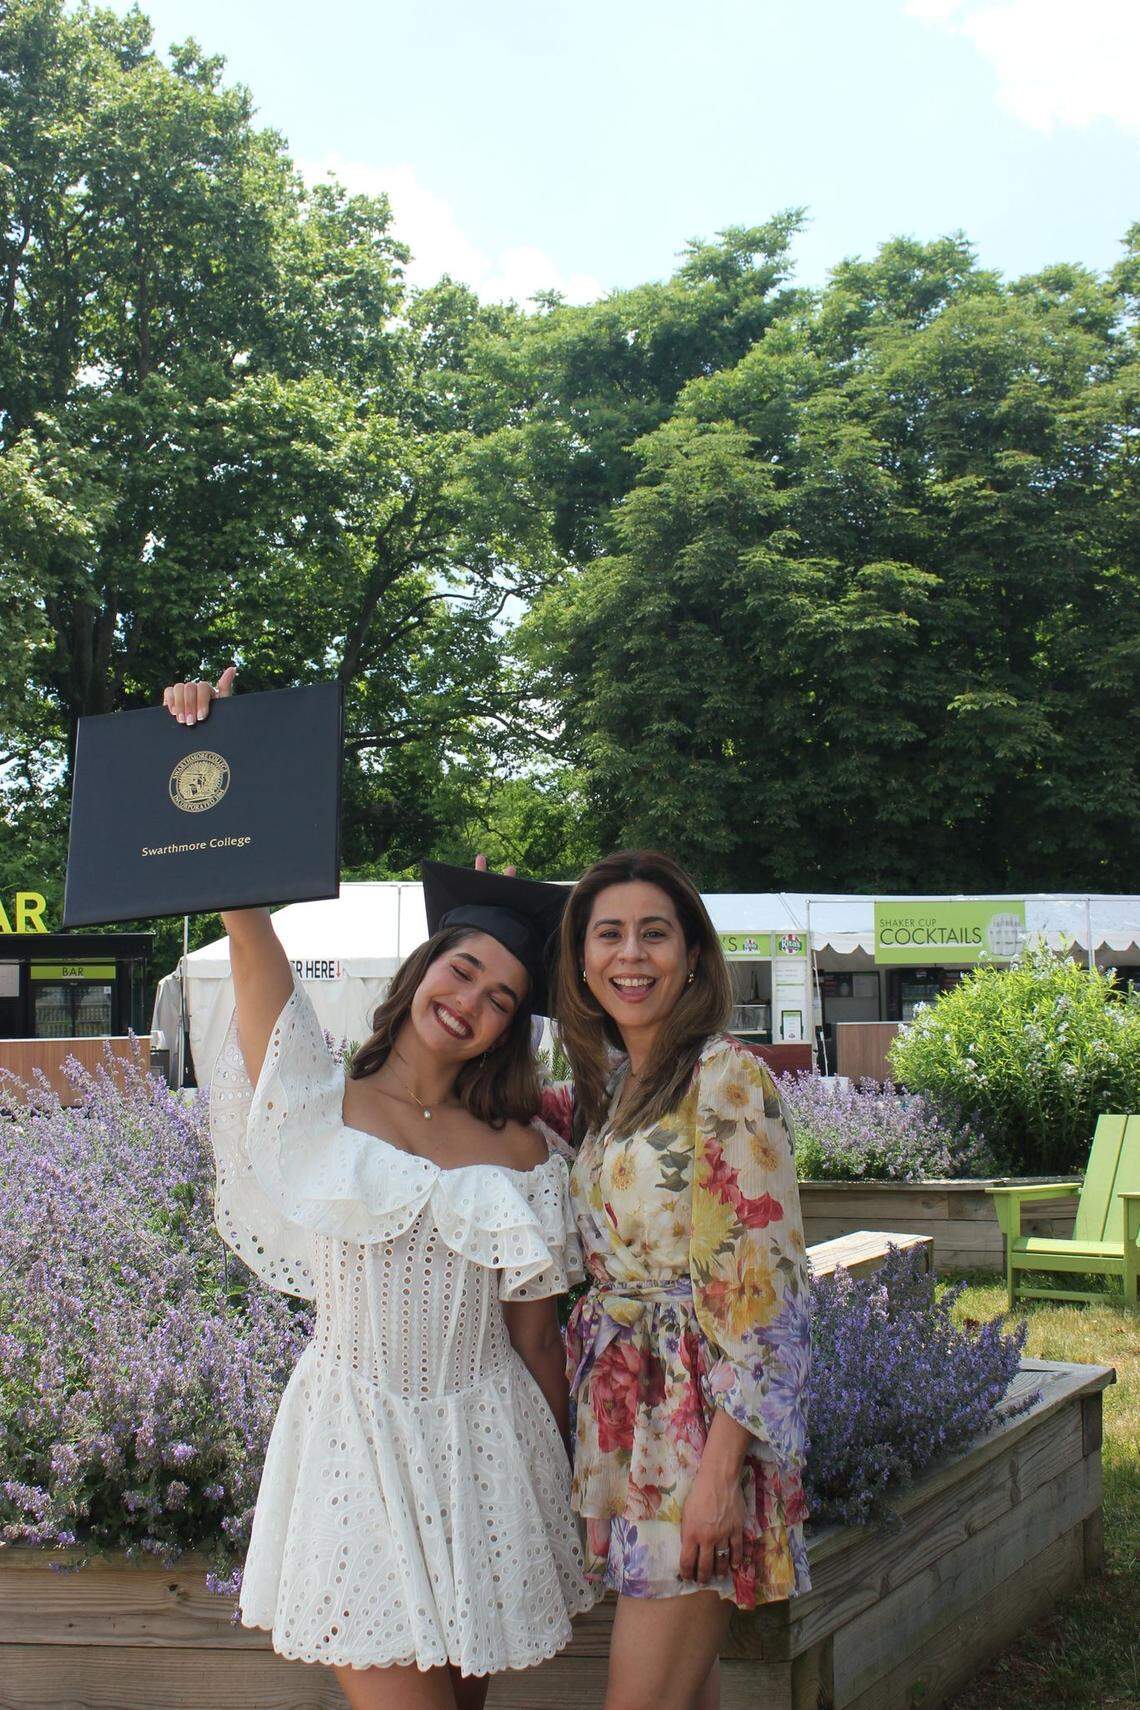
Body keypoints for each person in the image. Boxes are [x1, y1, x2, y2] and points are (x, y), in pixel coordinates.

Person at [162, 675, 594, 1710]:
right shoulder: (320, 1102)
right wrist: (214, 747)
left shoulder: (528, 1156)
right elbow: (255, 938)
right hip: (356, 1437)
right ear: (424, 968)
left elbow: (537, 1341)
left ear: (511, 1029)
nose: (473, 1004)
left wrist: (564, 1489)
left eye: (501, 1000)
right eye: (464, 972)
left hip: (490, 1442)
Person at [554, 850, 811, 1710]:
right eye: (610, 935)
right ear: (584, 963)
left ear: (693, 954)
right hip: (631, 1420)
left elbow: (763, 1288)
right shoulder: (614, 1086)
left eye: (654, 934)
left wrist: (720, 1472)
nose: (632, 955)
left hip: (696, 1429)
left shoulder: (725, 1076)